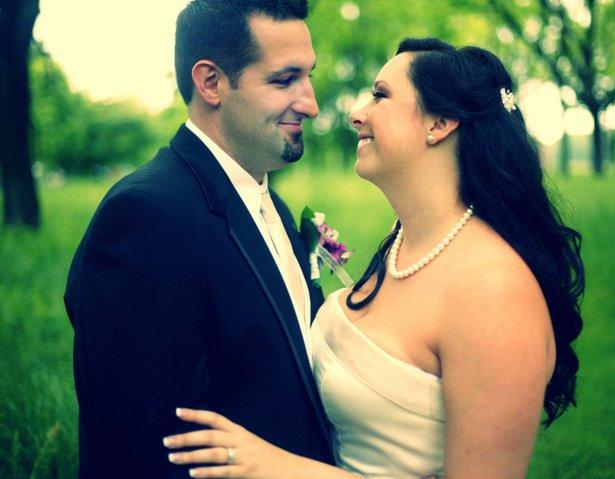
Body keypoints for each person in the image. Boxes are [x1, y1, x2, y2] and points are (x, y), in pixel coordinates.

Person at [163, 38, 585, 478]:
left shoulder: (494, 291)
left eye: (380, 96)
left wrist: (278, 467)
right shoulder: (402, 248)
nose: (356, 114)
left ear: (440, 123)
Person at [63, 1, 335, 477]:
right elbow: (148, 448)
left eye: (308, 76)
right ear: (211, 83)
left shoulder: (269, 203)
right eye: (284, 80)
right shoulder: (146, 218)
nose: (310, 103)